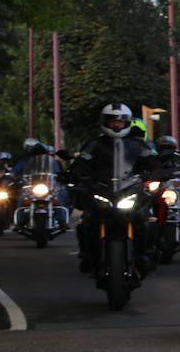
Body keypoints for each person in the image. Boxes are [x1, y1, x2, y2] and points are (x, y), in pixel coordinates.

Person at [65, 103, 156, 273]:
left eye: (120, 122)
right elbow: (81, 162)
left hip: (128, 190)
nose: (116, 125)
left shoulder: (137, 145)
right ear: (104, 122)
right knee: (87, 220)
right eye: (112, 121)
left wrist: (158, 171)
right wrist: (72, 173)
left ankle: (144, 254)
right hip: (101, 190)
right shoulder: (94, 144)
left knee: (145, 219)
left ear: (127, 123)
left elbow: (151, 162)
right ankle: (87, 255)